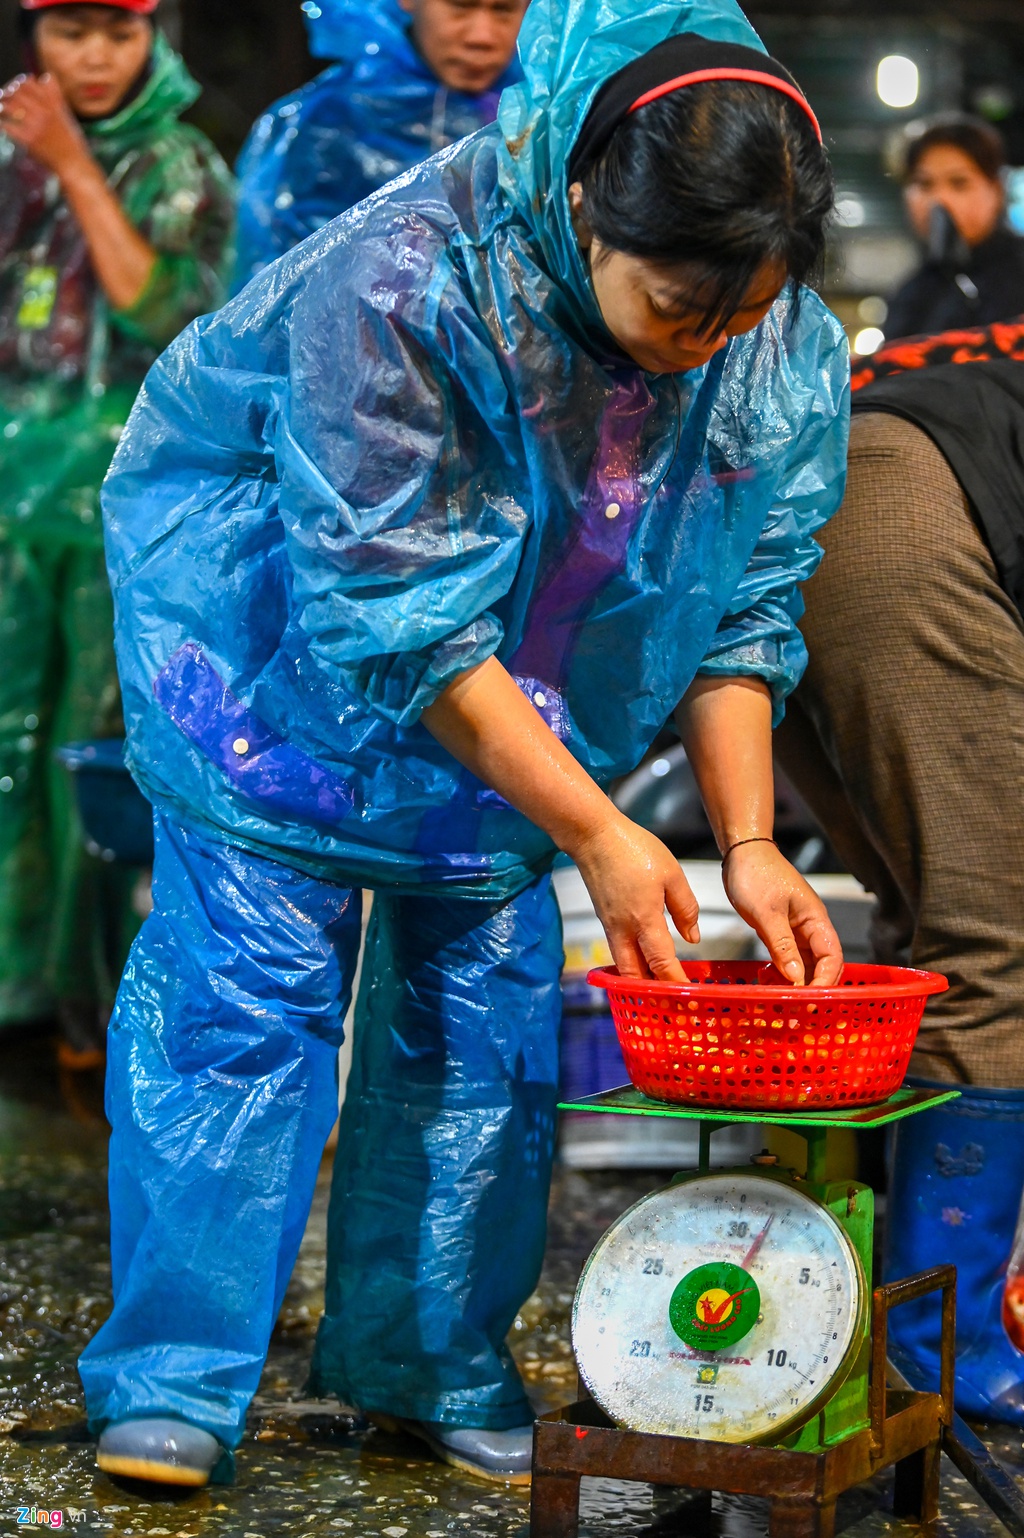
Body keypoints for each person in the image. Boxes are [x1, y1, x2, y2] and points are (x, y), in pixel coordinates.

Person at [78, 0, 849, 1490]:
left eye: (743, 318)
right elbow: (394, 607)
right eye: (680, 315)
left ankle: (424, 1360)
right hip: (273, 665)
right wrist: (603, 830)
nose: (713, 350)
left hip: (521, 699)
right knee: (243, 1007)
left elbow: (743, 591)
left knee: (477, 1030)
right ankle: (173, 1370)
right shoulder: (403, 276)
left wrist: (746, 843)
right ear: (584, 203)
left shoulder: (774, 334)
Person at [773, 322, 1024, 1424]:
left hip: (790, 528)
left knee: (936, 925)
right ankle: (941, 1343)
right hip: (901, 527)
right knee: (994, 940)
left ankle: (870, 1307)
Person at [0, 0, 234, 1064]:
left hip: (124, 498)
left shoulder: (182, 164)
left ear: (155, 37)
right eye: (68, 31)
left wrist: (71, 164)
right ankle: (15, 991)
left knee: (91, 747)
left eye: (117, 31)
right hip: (12, 496)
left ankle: (93, 1009)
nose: (92, 58)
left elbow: (160, 307)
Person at [231, 0, 526, 292]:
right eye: (460, 6)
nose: (482, 37)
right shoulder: (328, 125)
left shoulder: (541, 117)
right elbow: (273, 287)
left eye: (503, 10)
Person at [884, 114, 1024, 341]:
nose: (939, 200)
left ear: (997, 190)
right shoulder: (908, 295)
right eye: (924, 184)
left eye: (959, 183)